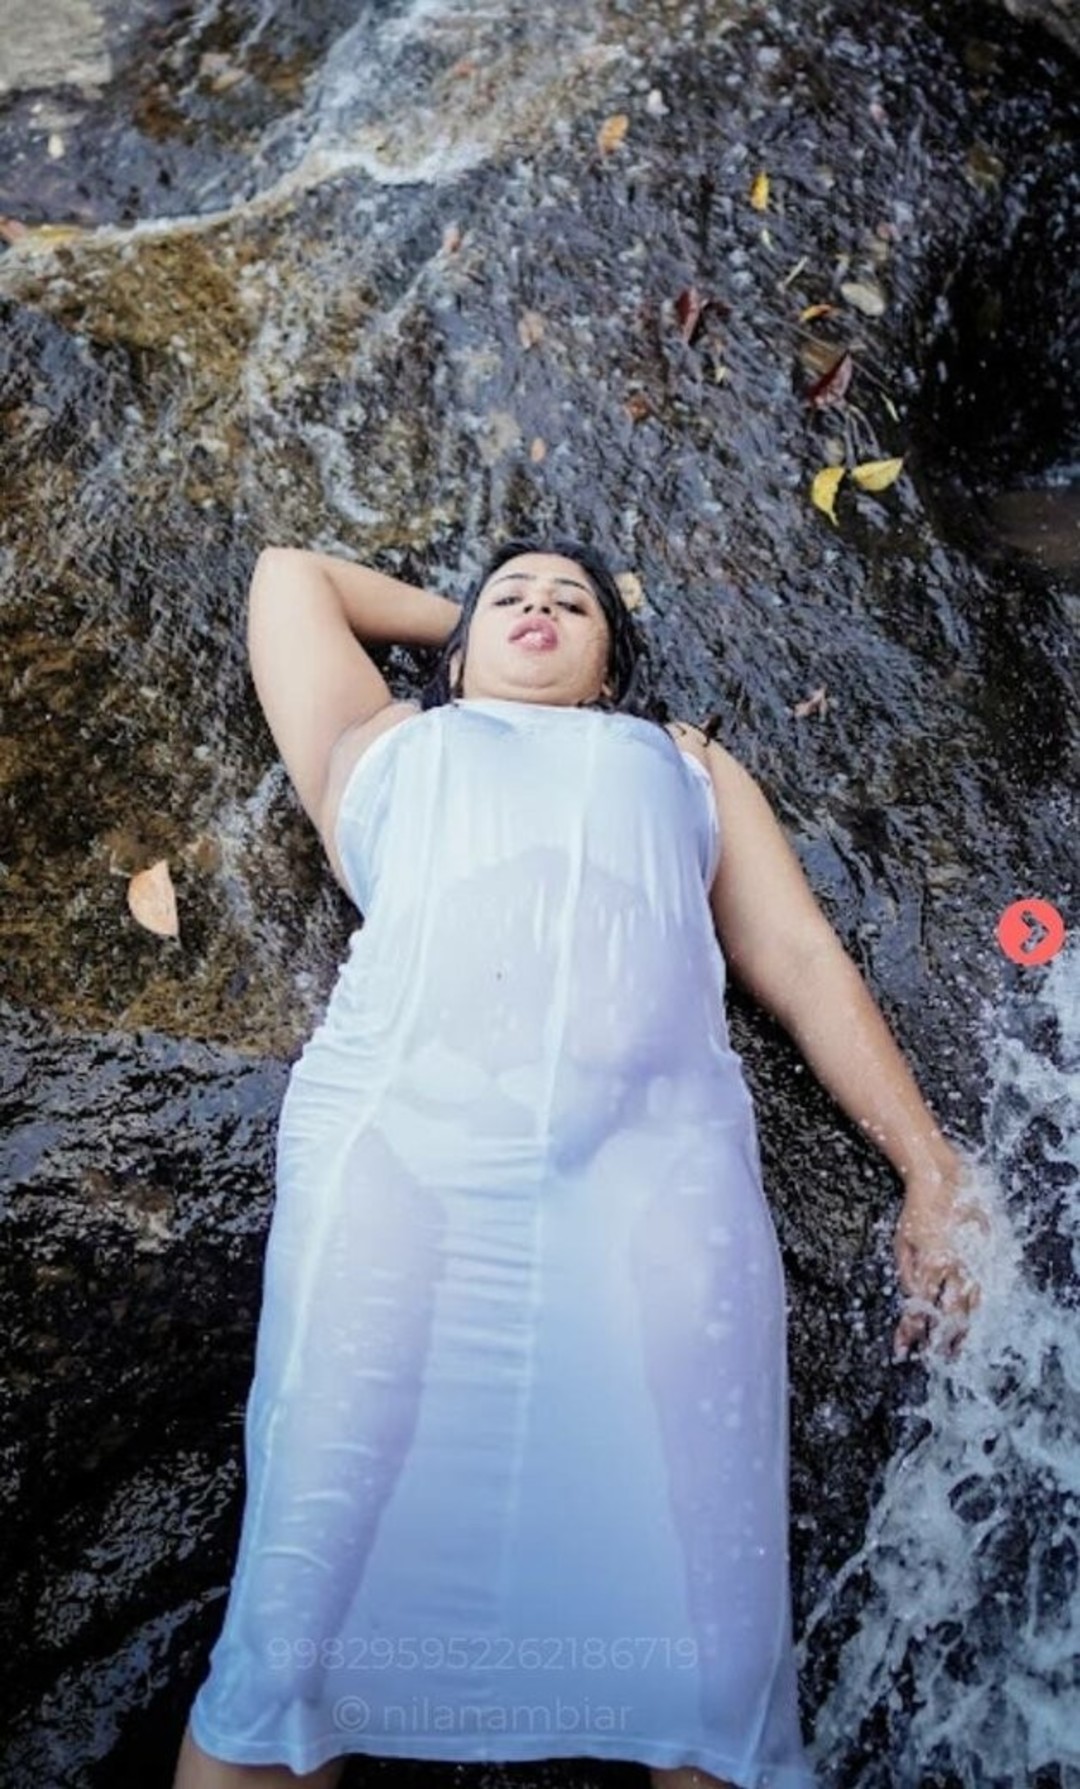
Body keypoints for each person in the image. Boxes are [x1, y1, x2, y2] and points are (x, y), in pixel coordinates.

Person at [172, 537, 980, 1789]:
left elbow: (802, 958)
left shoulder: (684, 762)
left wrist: (929, 1167)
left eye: (574, 603)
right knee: (295, 1641)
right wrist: (463, 628)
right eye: (513, 596)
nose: (540, 606)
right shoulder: (376, 749)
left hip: (655, 1200)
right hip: (402, 1190)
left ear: (613, 666)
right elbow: (288, 574)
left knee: (715, 1677)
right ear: (456, 652)